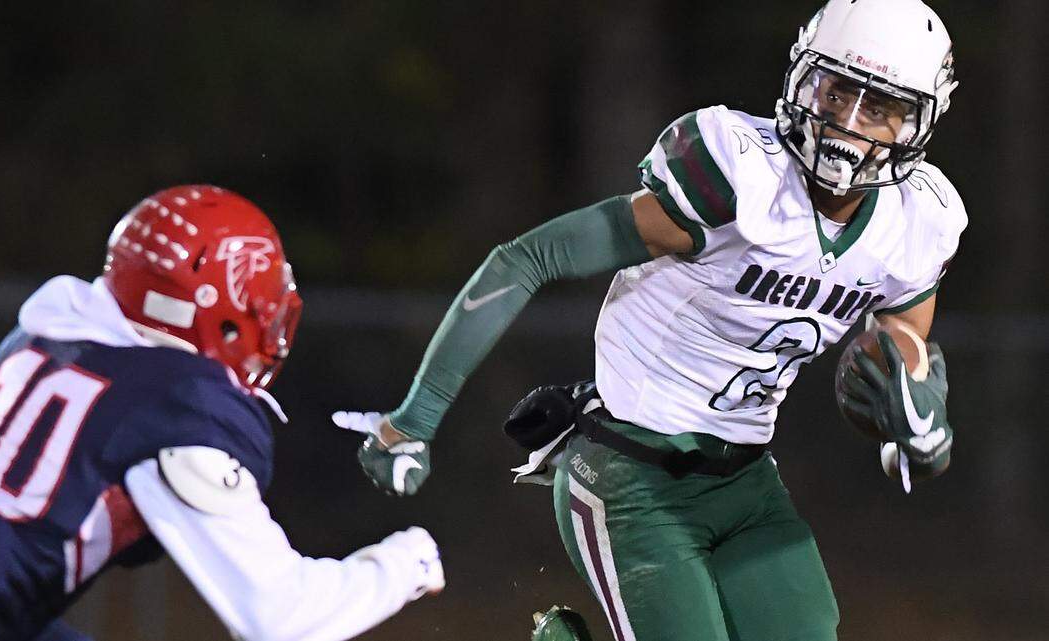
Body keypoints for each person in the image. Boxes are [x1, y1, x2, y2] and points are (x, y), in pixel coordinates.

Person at [332, 0, 962, 639]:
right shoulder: (739, 175)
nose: (847, 123)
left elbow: (903, 363)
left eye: (878, 107)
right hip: (628, 472)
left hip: (745, 479)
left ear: (917, 122)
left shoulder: (915, 223)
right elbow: (530, 257)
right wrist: (412, 419)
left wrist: (923, 435)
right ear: (804, 79)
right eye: (836, 92)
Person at [0, 185, 444, 641]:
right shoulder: (179, 408)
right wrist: (405, 564)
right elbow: (280, 618)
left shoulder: (48, 345)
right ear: (215, 311)